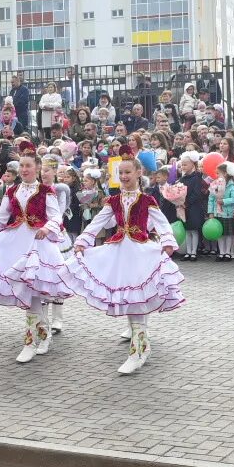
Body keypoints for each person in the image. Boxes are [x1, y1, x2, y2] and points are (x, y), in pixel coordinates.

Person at [67, 157, 184, 375]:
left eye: (128, 172)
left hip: (141, 251)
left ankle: (138, 351)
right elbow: (98, 222)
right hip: (120, 251)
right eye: (120, 173)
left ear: (139, 173)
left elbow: (161, 222)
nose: (123, 176)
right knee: (129, 296)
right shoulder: (113, 200)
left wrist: (168, 241)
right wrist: (83, 240)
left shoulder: (147, 200)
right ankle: (140, 345)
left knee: (138, 296)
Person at [0, 142, 70, 364]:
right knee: (27, 292)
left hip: (38, 243)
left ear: (37, 168)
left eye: (28, 166)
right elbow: (1, 218)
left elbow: (56, 216)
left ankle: (37, 338)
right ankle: (35, 337)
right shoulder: (12, 190)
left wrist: (47, 228)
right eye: (22, 166)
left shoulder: (47, 191)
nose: (24, 170)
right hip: (17, 241)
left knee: (37, 291)